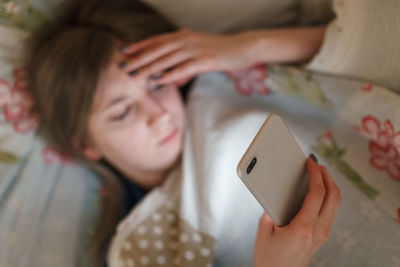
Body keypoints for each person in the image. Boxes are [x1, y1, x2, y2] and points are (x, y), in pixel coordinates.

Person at [25, 0, 341, 266]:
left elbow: (367, 54)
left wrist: (246, 47)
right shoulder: (140, 250)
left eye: (158, 84)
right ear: (85, 143)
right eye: (122, 112)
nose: (159, 113)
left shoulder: (222, 84)